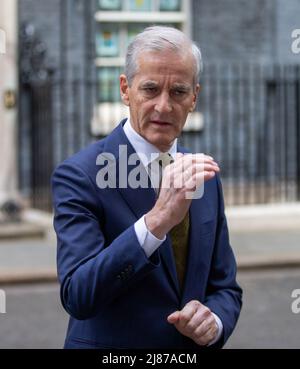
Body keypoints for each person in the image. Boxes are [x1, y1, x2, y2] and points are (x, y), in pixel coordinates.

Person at [52, 26, 242, 349]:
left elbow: (225, 287)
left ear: (194, 96)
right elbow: (78, 294)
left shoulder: (205, 176)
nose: (164, 106)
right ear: (125, 90)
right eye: (151, 89)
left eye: (179, 92)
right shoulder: (79, 175)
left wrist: (214, 321)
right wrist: (156, 223)